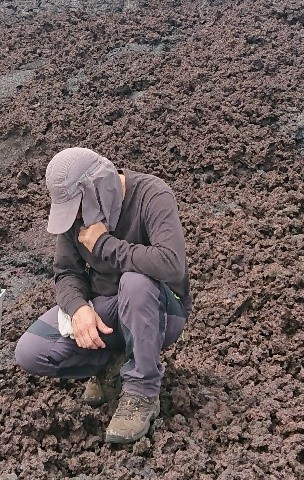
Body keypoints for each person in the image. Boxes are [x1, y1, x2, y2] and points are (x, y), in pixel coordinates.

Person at [15, 147, 192, 444]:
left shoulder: (152, 195)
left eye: (80, 207)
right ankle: (114, 365)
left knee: (135, 282)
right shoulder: (77, 216)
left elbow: (171, 265)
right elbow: (67, 273)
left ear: (101, 187)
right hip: (109, 312)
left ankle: (142, 391)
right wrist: (78, 308)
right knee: (30, 351)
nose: (79, 217)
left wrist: (104, 245)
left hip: (161, 311)